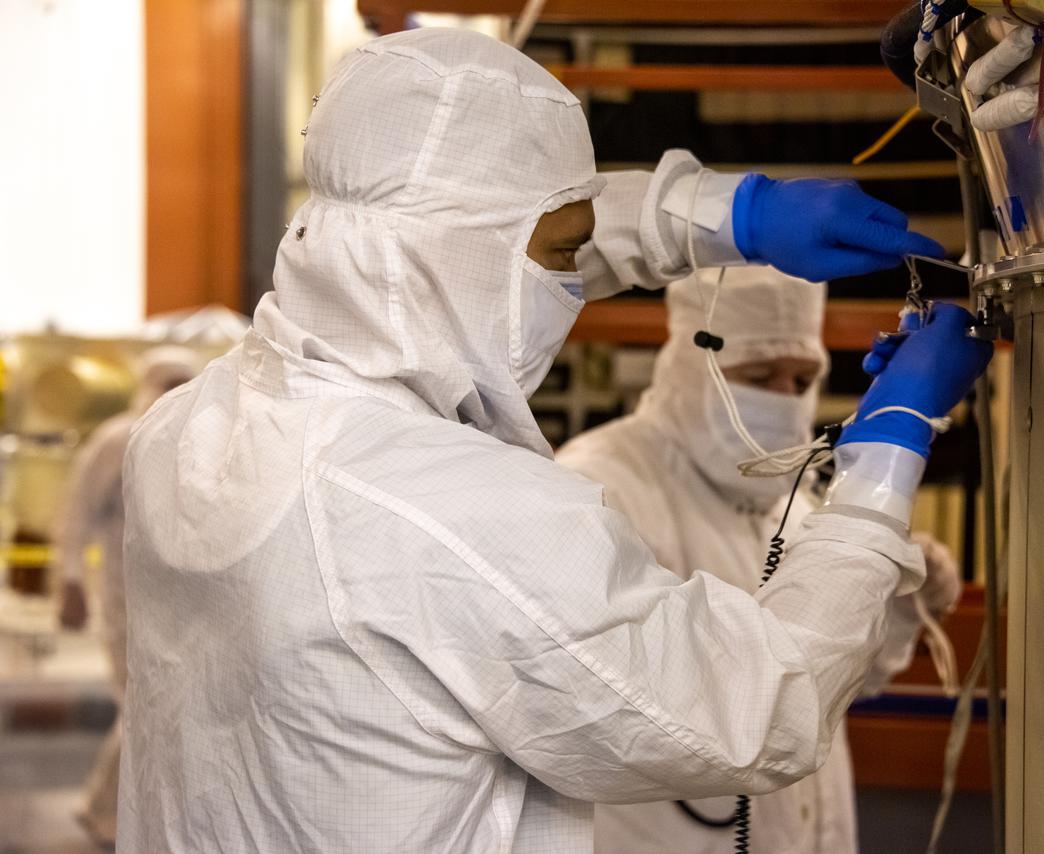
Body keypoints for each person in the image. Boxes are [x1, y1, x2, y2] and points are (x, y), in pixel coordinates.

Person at [118, 28, 991, 852]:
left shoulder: (192, 426)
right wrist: (885, 458)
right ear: (470, 254)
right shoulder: (453, 513)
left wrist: (732, 216)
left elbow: (478, 238)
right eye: (564, 258)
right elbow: (757, 707)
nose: (574, 286)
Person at [558, 269, 961, 853]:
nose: (782, 396)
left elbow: (827, 683)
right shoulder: (603, 486)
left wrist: (892, 604)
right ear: (696, 364)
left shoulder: (789, 497)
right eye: (758, 376)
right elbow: (649, 711)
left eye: (801, 379)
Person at [55, 346, 200, 848]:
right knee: (140, 706)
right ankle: (105, 815)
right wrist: (69, 583)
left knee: (151, 707)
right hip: (121, 598)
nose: (174, 391)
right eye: (167, 381)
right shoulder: (116, 439)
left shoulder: (192, 437)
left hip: (173, 600)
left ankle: (105, 811)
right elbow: (75, 515)